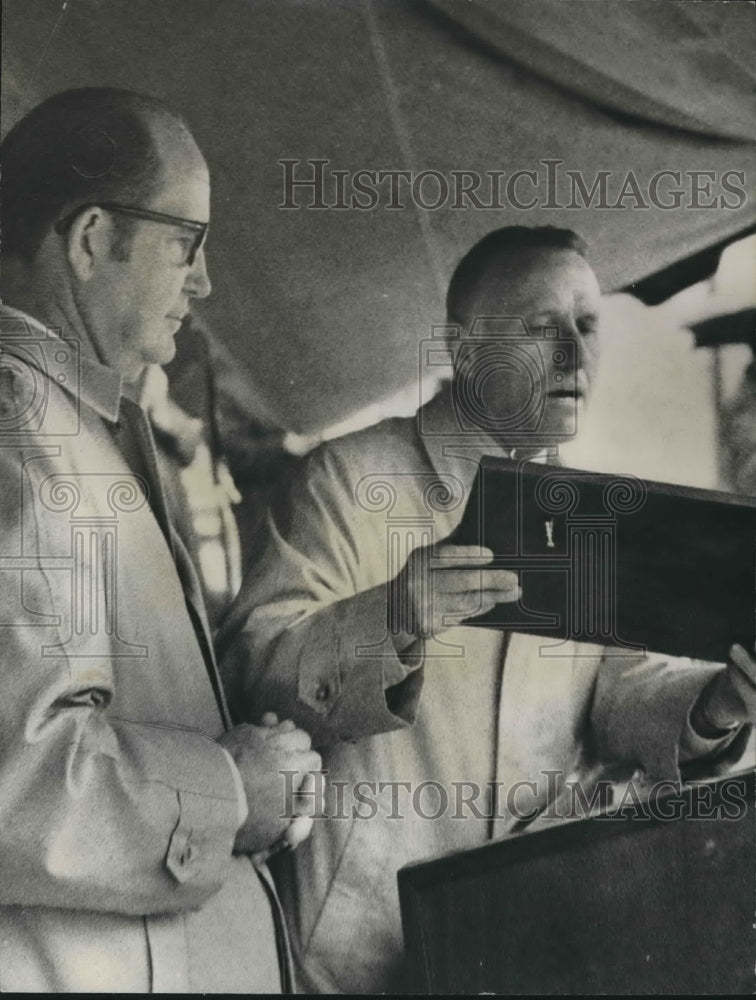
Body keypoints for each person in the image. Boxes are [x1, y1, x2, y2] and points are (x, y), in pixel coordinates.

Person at [218, 226, 756, 993]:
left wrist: (713, 708)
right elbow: (250, 671)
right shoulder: (348, 479)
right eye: (543, 328)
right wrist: (392, 618)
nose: (575, 356)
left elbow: (619, 691)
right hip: (349, 961)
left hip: (513, 947)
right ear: (464, 352)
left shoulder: (588, 512)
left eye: (589, 324)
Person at [0, 88, 320, 992]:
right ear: (94, 236)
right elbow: (16, 778)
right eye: (188, 242)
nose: (205, 282)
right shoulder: (22, 435)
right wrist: (231, 791)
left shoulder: (74, 423)